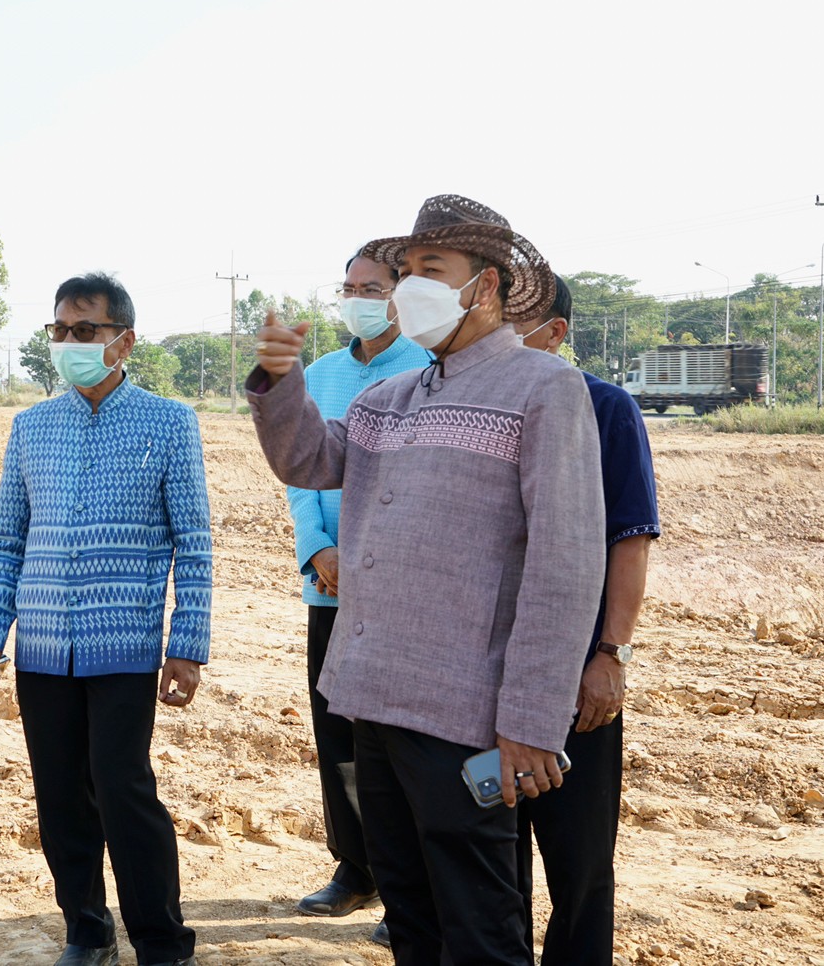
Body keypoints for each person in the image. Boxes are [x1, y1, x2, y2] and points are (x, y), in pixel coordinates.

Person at [245, 194, 606, 964]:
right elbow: (309, 460)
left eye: (429, 271)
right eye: (404, 271)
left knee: (478, 924)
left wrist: (534, 721)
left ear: (487, 286)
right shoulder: (391, 396)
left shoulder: (543, 389)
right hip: (373, 695)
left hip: (465, 712)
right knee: (410, 912)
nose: (409, 287)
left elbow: (565, 562)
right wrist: (279, 383)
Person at [0, 272, 210, 966]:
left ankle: (162, 942)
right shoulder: (32, 426)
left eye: (84, 331)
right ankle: (87, 929)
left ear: (123, 341)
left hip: (124, 647)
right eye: (59, 331)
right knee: (61, 798)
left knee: (126, 792)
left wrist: (186, 646)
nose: (67, 343)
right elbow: (3, 540)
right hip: (41, 648)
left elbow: (194, 543)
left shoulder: (169, 422)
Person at [511, 278, 660, 964]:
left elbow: (628, 541)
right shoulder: (467, 404)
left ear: (556, 332)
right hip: (478, 671)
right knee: (488, 858)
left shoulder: (607, 409)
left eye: (521, 321)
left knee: (579, 861)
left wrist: (611, 656)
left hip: (574, 678)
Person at [287, 250, 429, 947]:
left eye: (372, 288)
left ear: (403, 298)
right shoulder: (320, 376)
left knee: (397, 740)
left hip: (402, 587)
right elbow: (299, 476)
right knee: (336, 732)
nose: (358, 299)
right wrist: (317, 548)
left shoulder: (426, 369)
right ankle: (356, 867)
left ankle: (408, 887)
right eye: (349, 288)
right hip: (331, 584)